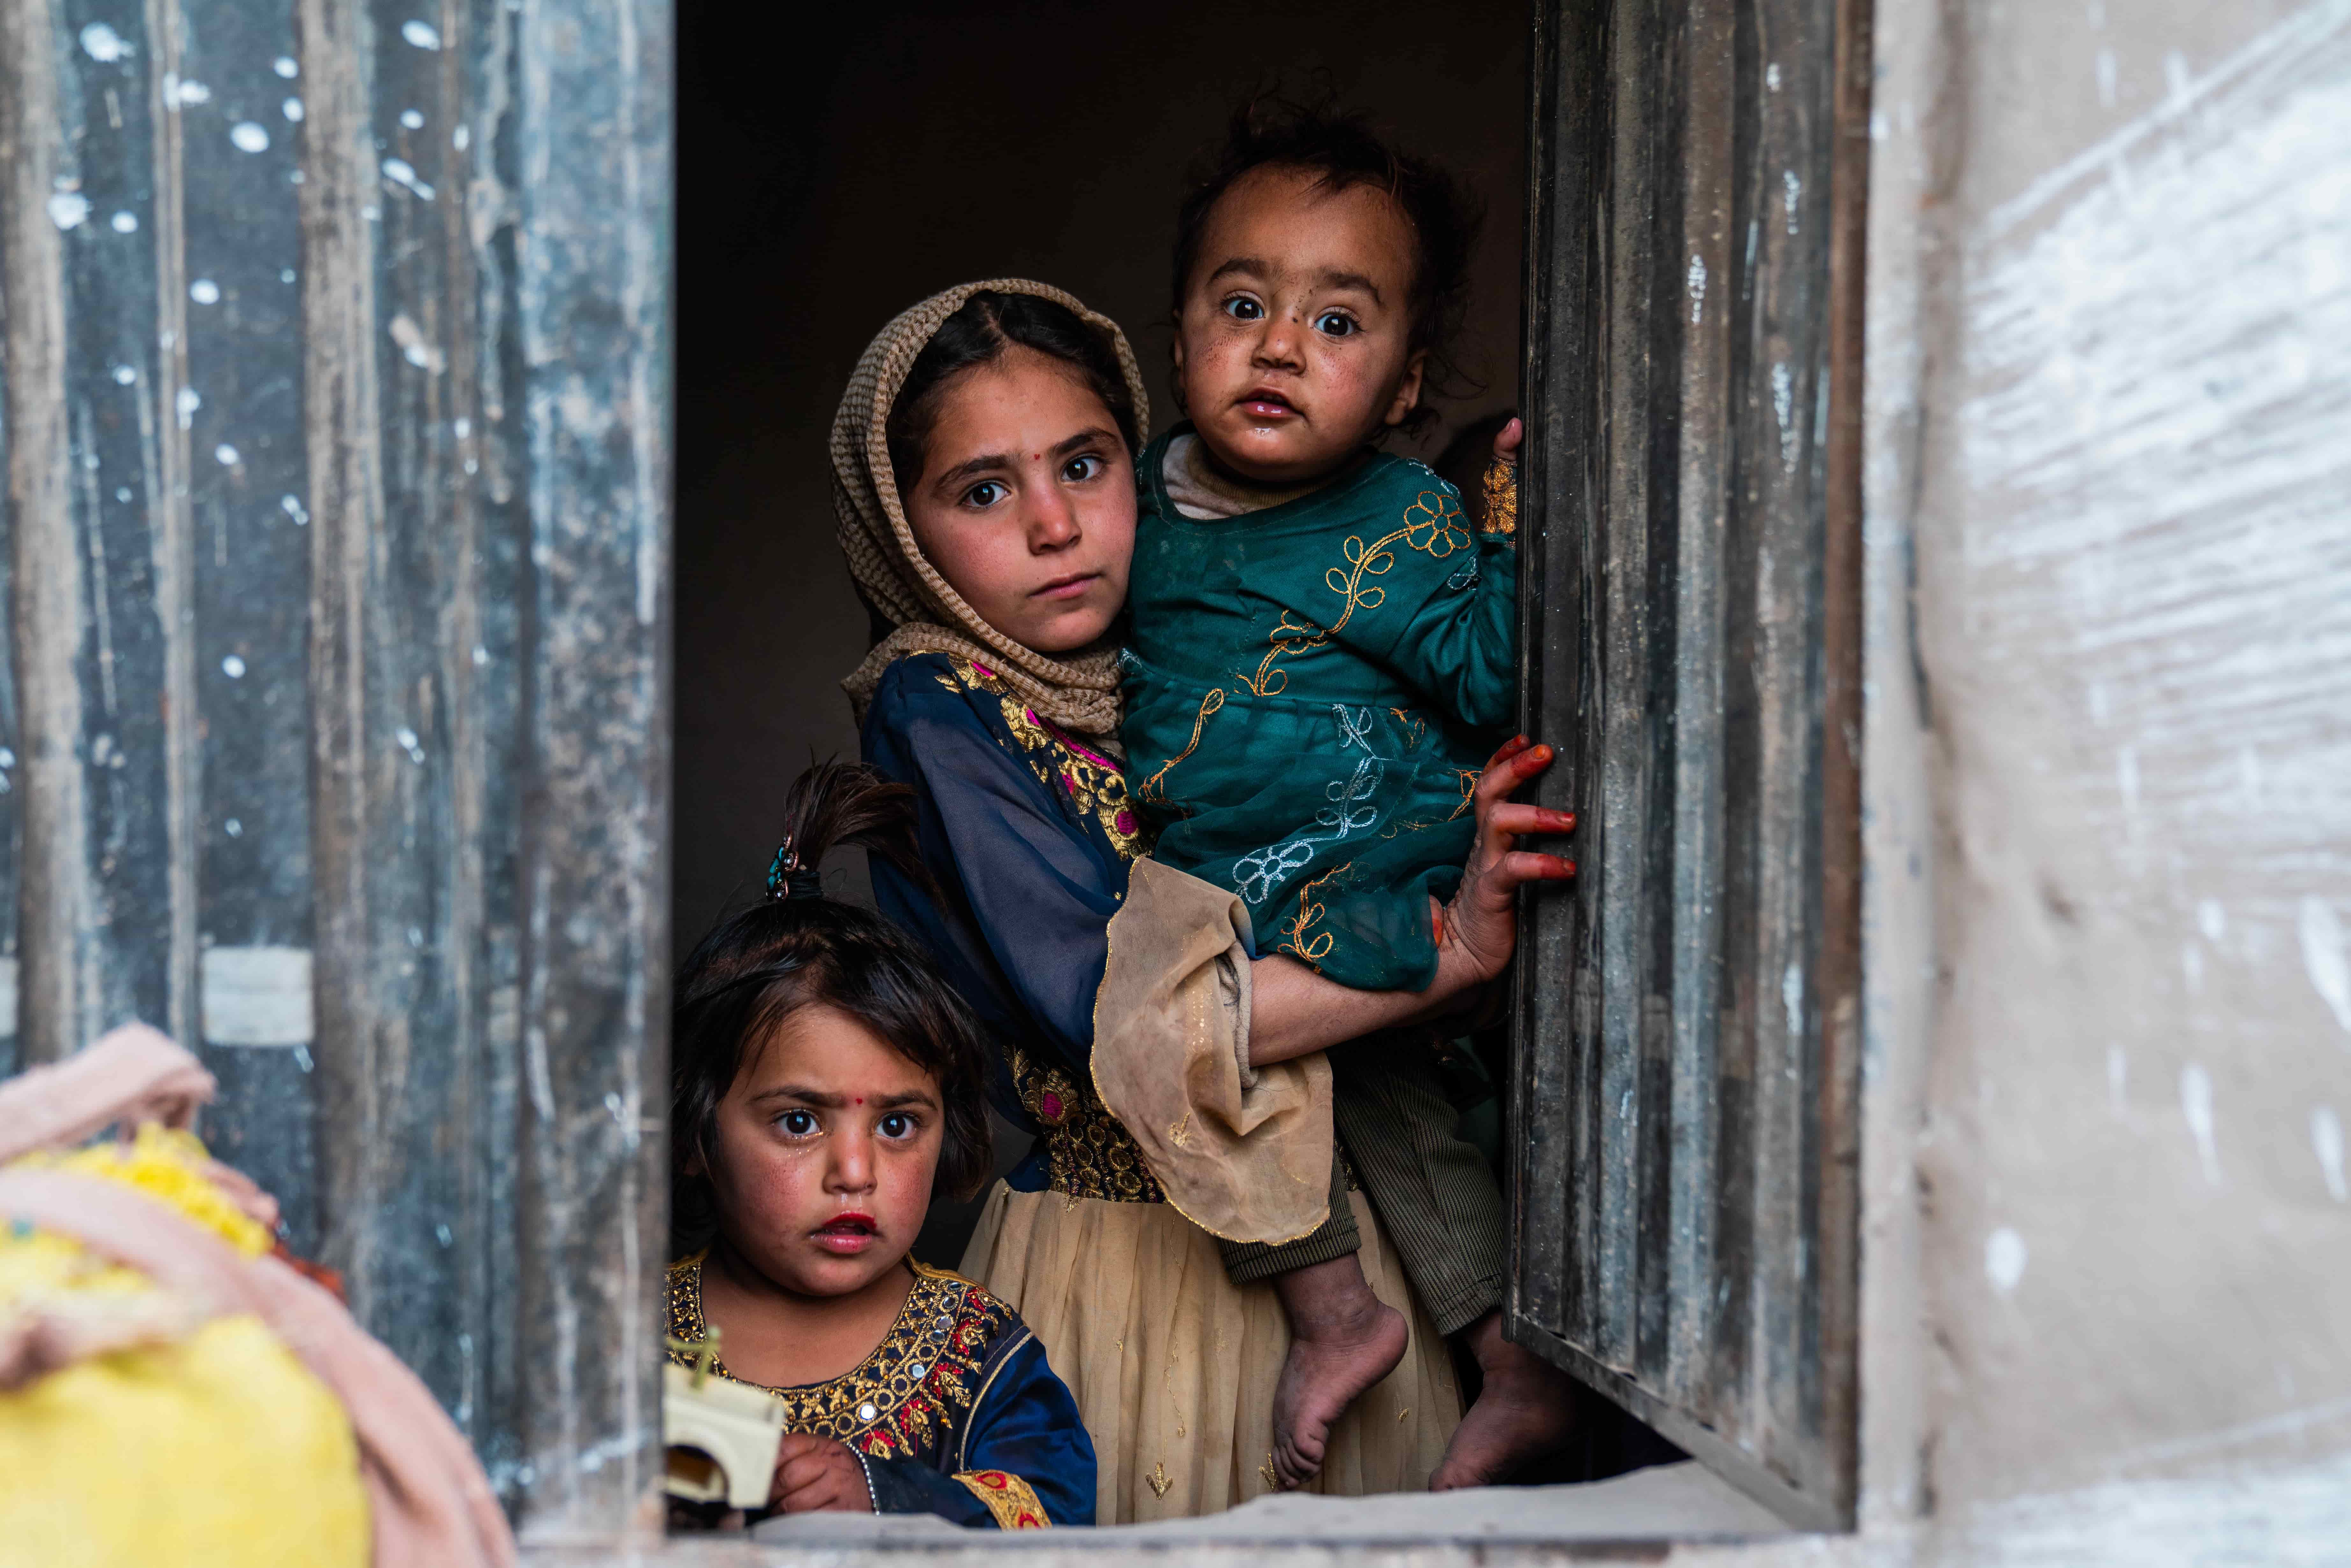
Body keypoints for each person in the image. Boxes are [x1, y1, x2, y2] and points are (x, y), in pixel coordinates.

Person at [835, 278, 1576, 1520]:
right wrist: (1437, 953)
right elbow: (1123, 1026)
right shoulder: (939, 708)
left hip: (1351, 1251)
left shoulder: (1185, 659)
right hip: (1129, 1266)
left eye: (1083, 465)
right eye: (981, 491)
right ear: (899, 531)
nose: (1052, 526)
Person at [1117, 98, 1576, 1492]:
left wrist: (1500, 512)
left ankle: (1506, 1360)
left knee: (1400, 1098)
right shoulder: (1130, 510)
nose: (1275, 344)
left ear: (1394, 387)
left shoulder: (1396, 517)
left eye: (1335, 320)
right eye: (1241, 301)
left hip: (1368, 860)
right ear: (1182, 335)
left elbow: (1485, 669)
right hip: (1219, 892)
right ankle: (1340, 1315)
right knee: (1182, 1059)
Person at [664, 761, 1095, 1531]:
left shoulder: (976, 1354)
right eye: (800, 1121)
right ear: (696, 1132)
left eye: (897, 1125)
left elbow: (1055, 1514)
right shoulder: (626, 1339)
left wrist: (883, 1494)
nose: (855, 1174)